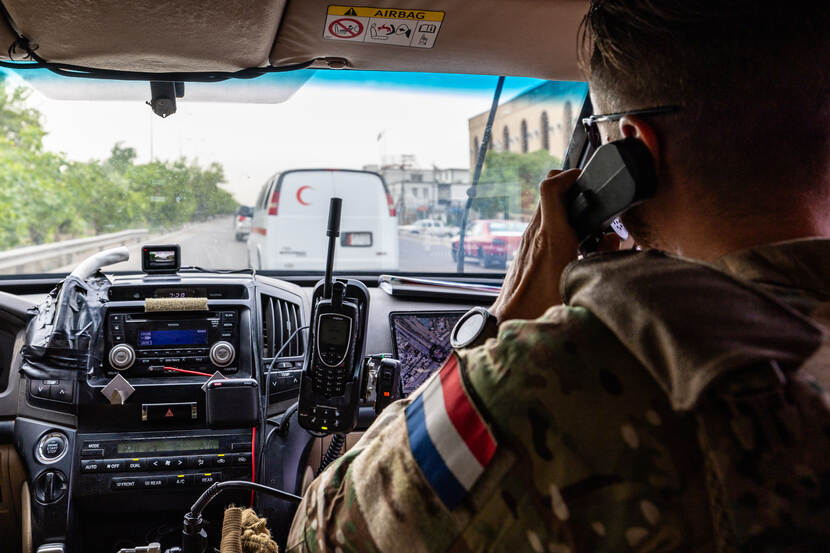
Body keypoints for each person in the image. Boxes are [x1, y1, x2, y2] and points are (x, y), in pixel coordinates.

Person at [287, 2, 830, 551]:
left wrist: (506, 319)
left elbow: (318, 533)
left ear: (633, 150)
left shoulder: (558, 374)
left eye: (597, 136)